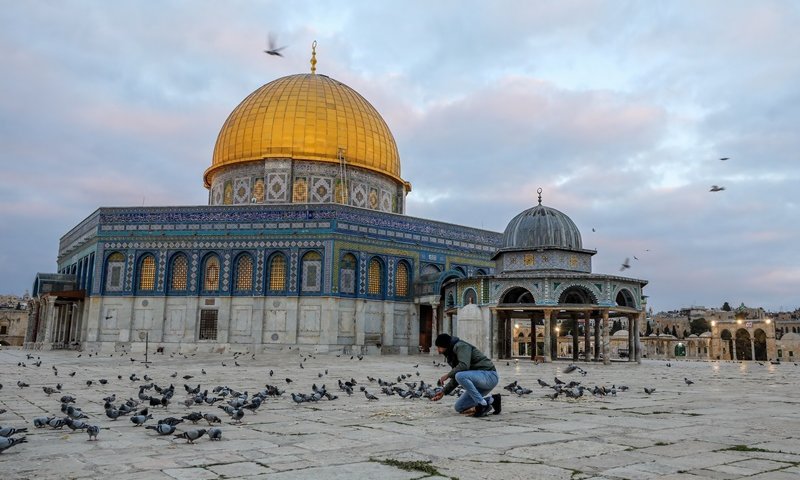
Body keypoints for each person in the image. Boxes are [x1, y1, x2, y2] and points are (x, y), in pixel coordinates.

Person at [431, 333, 501, 417]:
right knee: (459, 407)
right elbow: (457, 377)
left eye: (439, 347)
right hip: (478, 381)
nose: (438, 350)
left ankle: (482, 405)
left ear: (445, 345)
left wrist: (448, 375)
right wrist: (444, 391)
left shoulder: (461, 346)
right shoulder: (451, 354)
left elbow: (464, 366)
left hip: (489, 376)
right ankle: (493, 400)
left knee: (460, 375)